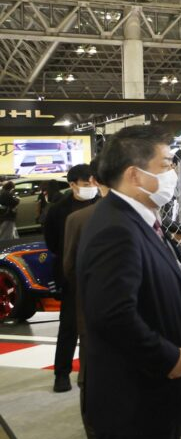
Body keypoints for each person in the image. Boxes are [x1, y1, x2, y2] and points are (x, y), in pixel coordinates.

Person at [79, 125, 181, 439]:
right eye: (166, 164)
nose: (172, 174)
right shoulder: (117, 227)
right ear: (135, 174)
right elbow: (112, 314)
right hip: (135, 399)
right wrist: (168, 357)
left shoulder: (136, 220)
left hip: (148, 399)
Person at [62, 161, 109, 439]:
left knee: (93, 386)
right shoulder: (143, 215)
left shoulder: (78, 220)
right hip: (101, 319)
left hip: (91, 316)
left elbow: (70, 269)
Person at [45, 163, 100, 392]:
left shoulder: (102, 204)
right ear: (72, 185)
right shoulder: (58, 210)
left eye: (93, 182)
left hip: (99, 272)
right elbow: (52, 243)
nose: (91, 187)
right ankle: (62, 373)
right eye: (86, 184)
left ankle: (96, 372)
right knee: (69, 326)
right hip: (71, 275)